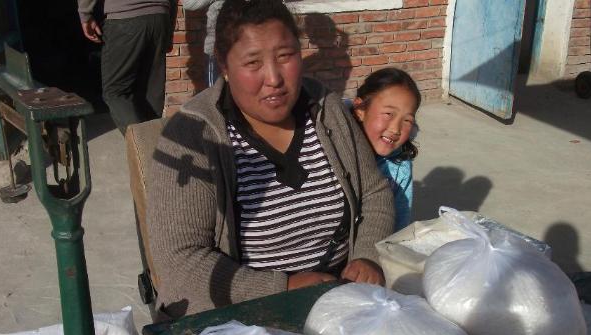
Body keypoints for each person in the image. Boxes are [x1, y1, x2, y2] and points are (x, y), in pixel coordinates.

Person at [147, 0, 394, 318]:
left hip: (341, 304)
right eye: (253, 62)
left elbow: (373, 192)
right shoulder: (193, 136)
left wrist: (367, 256)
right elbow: (180, 262)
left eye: (285, 56)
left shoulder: (325, 108)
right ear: (224, 65)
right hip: (242, 320)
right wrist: (282, 288)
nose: (274, 78)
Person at [77, 0, 177, 134]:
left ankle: (144, 144)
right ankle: (155, 143)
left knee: (115, 92)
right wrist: (169, 28)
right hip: (160, 18)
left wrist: (85, 14)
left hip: (125, 17)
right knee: (150, 92)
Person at [352, 68, 421, 231]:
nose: (396, 129)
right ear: (360, 109)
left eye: (407, 120)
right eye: (389, 113)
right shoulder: (336, 151)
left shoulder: (401, 166)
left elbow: (400, 223)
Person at [182, 0, 223, 87]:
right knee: (216, 90)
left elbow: (188, 4)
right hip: (217, 48)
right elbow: (188, 4)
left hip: (233, 47)